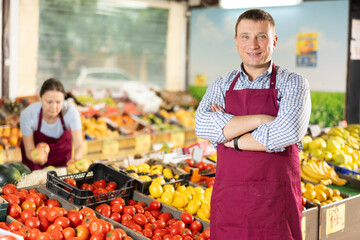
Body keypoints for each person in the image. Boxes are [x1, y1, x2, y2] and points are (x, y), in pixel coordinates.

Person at [195, 9, 311, 239]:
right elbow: (203, 126)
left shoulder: (294, 83)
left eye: (262, 36)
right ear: (236, 42)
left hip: (276, 203)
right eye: (245, 36)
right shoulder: (221, 84)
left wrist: (232, 138)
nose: (253, 44)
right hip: (231, 202)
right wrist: (261, 120)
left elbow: (287, 132)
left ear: (274, 41)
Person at [20, 78, 84, 170]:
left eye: (58, 102)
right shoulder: (28, 114)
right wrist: (36, 158)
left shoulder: (71, 112)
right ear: (40, 99)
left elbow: (79, 145)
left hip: (62, 162)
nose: (54, 107)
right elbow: (29, 150)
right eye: (49, 102)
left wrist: (76, 158)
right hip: (36, 165)